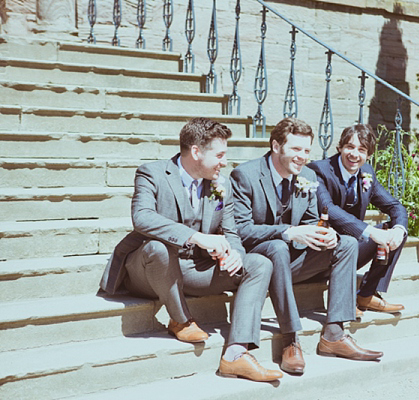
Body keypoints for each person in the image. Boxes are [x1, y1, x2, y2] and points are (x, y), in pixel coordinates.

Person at [99, 117, 282, 382]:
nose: (224, 162)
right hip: (150, 271)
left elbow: (231, 233)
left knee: (259, 263)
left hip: (193, 270)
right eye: (219, 155)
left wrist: (235, 255)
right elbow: (142, 218)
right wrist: (197, 237)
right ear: (196, 151)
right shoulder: (152, 172)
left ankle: (236, 354)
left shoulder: (222, 184)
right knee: (157, 248)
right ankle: (180, 320)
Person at [230, 117, 383, 376]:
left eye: (306, 151)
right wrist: (289, 232)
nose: (302, 157)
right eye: (296, 149)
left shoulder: (308, 176)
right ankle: (290, 338)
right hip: (260, 262)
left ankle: (334, 333)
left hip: (295, 262)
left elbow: (313, 220)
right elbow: (241, 231)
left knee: (346, 243)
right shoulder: (245, 175)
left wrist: (326, 235)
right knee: (278, 247)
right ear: (276, 146)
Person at [308, 123, 408, 316]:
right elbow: (329, 209)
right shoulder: (319, 171)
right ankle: (344, 300)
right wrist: (371, 232)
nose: (354, 154)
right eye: (350, 147)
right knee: (364, 238)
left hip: (353, 248)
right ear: (340, 148)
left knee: (395, 229)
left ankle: (367, 294)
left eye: (361, 150)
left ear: (368, 154)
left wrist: (398, 230)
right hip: (322, 250)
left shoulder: (366, 173)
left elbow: (395, 206)